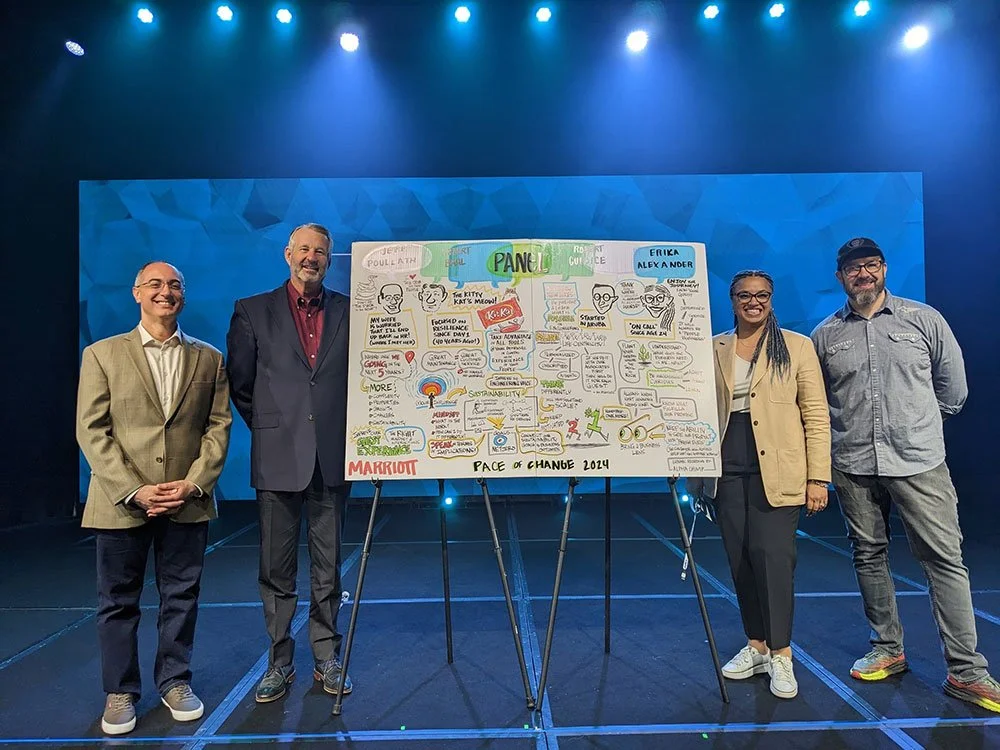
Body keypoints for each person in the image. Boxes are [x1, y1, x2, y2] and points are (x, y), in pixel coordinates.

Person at [811, 237, 999, 713]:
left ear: (884, 269)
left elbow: (953, 389)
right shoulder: (826, 335)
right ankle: (887, 649)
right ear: (840, 277)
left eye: (871, 265)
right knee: (869, 556)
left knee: (943, 561)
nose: (863, 274)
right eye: (853, 268)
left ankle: (967, 672)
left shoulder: (924, 319)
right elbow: (817, 402)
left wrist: (918, 425)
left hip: (918, 461)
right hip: (853, 464)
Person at [76, 262, 232, 735]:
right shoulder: (101, 354)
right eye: (156, 285)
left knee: (181, 597)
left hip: (186, 500)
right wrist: (135, 489)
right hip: (120, 500)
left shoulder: (209, 358)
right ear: (137, 293)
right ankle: (120, 690)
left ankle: (175, 680)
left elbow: (218, 427)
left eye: (175, 285)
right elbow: (92, 429)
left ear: (183, 296)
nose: (166, 292)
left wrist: (191, 483)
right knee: (118, 601)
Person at [226, 223, 354, 703]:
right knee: (276, 570)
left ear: (330, 259)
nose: (312, 257)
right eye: (304, 249)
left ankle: (326, 656)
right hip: (278, 457)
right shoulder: (252, 311)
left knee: (329, 568)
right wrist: (277, 428)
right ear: (287, 254)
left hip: (333, 458)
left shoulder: (350, 311)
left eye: (320, 251)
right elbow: (241, 385)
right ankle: (279, 662)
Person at [690, 270, 830, 700]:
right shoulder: (712, 347)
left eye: (762, 295)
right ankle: (756, 646)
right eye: (745, 296)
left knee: (774, 560)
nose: (754, 302)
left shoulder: (797, 346)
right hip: (725, 468)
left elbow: (816, 416)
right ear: (732, 300)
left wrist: (818, 477)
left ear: (771, 299)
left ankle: (782, 654)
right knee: (741, 562)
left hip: (780, 470)